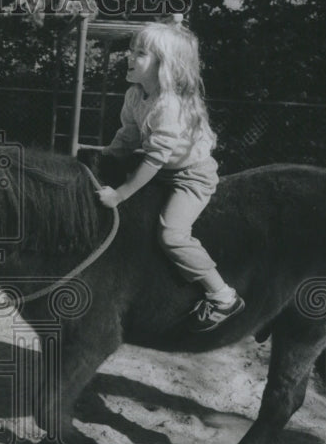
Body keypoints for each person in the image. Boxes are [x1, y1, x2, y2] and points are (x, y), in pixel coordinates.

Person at [96, 20, 245, 331]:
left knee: (172, 234)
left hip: (191, 176)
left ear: (163, 65)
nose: (129, 56)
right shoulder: (135, 95)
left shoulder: (168, 106)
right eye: (131, 50)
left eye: (140, 53)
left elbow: (154, 159)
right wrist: (103, 159)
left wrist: (119, 194)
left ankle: (222, 296)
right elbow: (128, 136)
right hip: (164, 170)